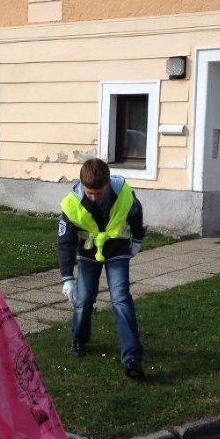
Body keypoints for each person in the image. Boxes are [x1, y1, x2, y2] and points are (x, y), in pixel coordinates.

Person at [57, 158, 146, 379]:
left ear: (107, 183)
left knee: (121, 298)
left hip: (117, 249)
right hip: (88, 253)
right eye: (89, 193)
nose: (95, 197)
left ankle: (132, 358)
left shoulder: (125, 195)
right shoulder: (70, 204)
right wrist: (67, 278)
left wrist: (137, 242)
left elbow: (136, 216)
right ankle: (79, 339)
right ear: (81, 185)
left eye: (99, 192)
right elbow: (65, 243)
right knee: (84, 298)